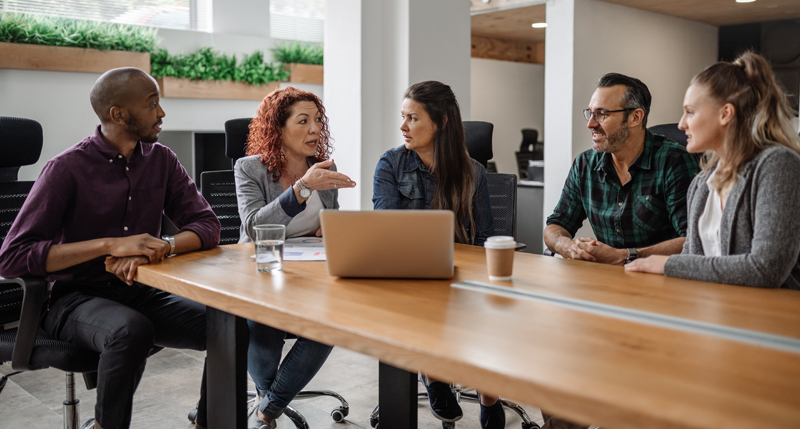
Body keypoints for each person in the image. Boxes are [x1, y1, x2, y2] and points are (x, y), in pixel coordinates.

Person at [0, 68, 221, 429]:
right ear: (118, 114)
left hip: (141, 290)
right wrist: (110, 246)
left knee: (228, 322)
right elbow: (12, 257)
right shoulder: (66, 169)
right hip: (73, 300)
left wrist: (161, 246)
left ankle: (210, 421)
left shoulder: (161, 160)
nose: (162, 113)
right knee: (130, 330)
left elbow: (208, 226)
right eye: (152, 104)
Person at [372, 81, 501, 428]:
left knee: (493, 310)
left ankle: (489, 394)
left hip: (463, 275)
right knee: (423, 306)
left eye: (412, 118)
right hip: (410, 276)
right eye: (403, 117)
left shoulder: (472, 171)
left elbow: (486, 235)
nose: (403, 127)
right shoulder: (391, 165)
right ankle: (433, 374)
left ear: (441, 123)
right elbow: (388, 233)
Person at [234, 87, 356, 428]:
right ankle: (269, 401)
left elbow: (330, 219)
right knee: (263, 321)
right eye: (303, 121)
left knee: (331, 323)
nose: (315, 129)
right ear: (278, 128)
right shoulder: (249, 169)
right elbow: (255, 227)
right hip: (263, 270)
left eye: (318, 120)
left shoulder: (323, 168)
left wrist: (331, 229)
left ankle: (267, 407)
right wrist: (303, 187)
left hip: (314, 272)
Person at [626, 52, 800, 288]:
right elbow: (692, 262)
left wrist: (666, 264)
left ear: (725, 113)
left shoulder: (777, 164)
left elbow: (766, 269)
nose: (681, 124)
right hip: (709, 315)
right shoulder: (701, 182)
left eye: (690, 111)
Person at [544, 73, 700, 266]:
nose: (590, 124)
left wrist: (625, 255)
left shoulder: (674, 161)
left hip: (662, 279)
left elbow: (693, 240)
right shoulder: (585, 164)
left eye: (602, 114)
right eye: (590, 113)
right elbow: (556, 224)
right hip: (608, 280)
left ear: (635, 117)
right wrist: (566, 246)